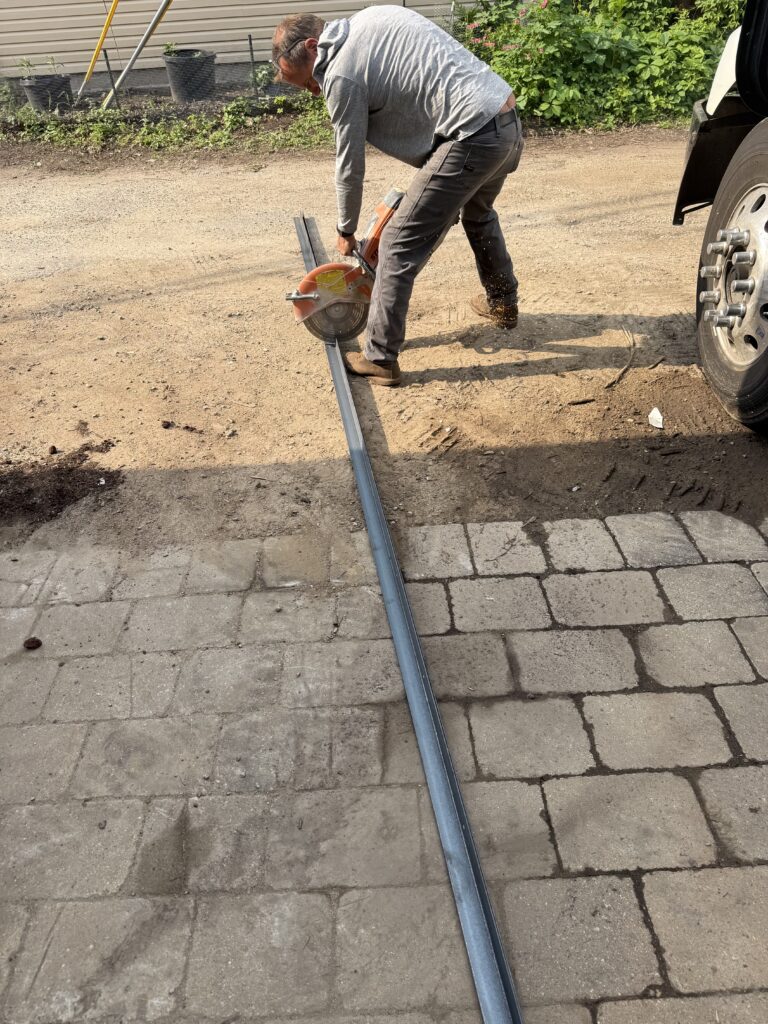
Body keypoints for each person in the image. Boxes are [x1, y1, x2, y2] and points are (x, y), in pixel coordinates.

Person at [272, 6, 523, 387]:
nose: (314, 90)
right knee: (479, 214)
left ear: (312, 46)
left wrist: (346, 229)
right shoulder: (372, 18)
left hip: (471, 134)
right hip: (504, 122)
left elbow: (349, 164)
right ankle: (503, 303)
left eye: (308, 81)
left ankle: (379, 357)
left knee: (397, 242)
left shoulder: (340, 73)